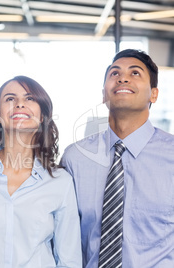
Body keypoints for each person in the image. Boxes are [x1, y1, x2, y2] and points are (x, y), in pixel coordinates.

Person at [0, 75, 82, 267]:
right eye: (10, 99)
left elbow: (70, 260)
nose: (19, 104)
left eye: (30, 99)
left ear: (42, 116)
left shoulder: (61, 181)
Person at [61, 49, 174, 267]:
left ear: (154, 94)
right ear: (104, 94)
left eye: (135, 73)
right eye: (114, 73)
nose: (122, 78)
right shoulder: (75, 159)